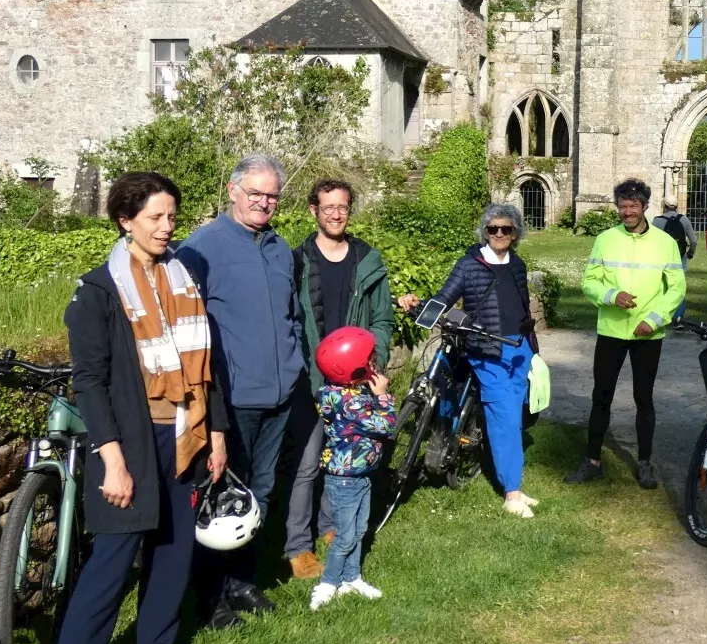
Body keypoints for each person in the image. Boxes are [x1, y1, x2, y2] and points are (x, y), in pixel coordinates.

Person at [38, 172, 227, 644]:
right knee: (111, 568)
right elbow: (90, 383)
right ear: (125, 219)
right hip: (130, 441)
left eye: (172, 216)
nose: (168, 227)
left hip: (185, 433)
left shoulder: (182, 278)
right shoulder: (97, 291)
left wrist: (215, 433)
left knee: (173, 552)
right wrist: (112, 460)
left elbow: (205, 366)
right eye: (155, 218)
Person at [177, 153, 305, 629]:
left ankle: (242, 581)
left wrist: (294, 366)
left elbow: (290, 315)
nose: (264, 202)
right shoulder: (200, 249)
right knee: (219, 498)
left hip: (278, 393)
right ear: (233, 191)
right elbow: (186, 329)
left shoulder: (278, 247)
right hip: (230, 397)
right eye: (255, 193)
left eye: (271, 195)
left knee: (262, 490)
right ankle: (211, 596)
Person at [397, 203, 541, 517]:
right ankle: (512, 494)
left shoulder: (517, 264)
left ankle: (509, 477)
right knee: (504, 418)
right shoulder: (469, 264)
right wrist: (413, 307)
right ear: (484, 232)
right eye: (493, 229)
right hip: (488, 352)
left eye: (507, 229)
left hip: (518, 349)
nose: (500, 234)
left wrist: (531, 346)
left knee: (513, 418)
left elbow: (522, 307)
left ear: (515, 233)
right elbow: (445, 296)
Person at [284, 179, 394, 580]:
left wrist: (372, 358)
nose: (335, 213)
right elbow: (287, 322)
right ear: (314, 210)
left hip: (355, 383)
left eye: (343, 207)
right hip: (312, 382)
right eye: (327, 206)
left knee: (343, 460)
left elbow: (382, 318)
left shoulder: (368, 260)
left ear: (350, 210)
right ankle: (298, 545)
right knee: (308, 464)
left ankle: (329, 527)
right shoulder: (297, 260)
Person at [566, 179, 685, 489]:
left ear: (645, 206)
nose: (627, 211)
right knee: (600, 396)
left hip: (648, 333)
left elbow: (676, 288)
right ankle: (592, 461)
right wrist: (611, 295)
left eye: (633, 206)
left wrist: (656, 319)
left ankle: (644, 464)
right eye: (622, 206)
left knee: (643, 399)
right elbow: (589, 282)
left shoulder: (665, 242)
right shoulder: (605, 239)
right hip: (611, 331)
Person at [309, 326, 396, 611]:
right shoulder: (352, 403)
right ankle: (327, 583)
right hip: (346, 479)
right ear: (352, 369)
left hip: (360, 474)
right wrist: (383, 397)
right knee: (346, 535)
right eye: (369, 360)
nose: (374, 364)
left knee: (359, 530)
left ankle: (351, 578)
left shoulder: (340, 393)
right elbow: (386, 426)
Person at [651, 194, 697, 319]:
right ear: (676, 206)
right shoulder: (684, 220)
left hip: (662, 257)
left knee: (662, 285)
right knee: (678, 286)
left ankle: (662, 314)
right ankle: (679, 317)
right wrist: (690, 253)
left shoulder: (657, 220)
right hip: (679, 256)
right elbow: (693, 240)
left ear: (664, 206)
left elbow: (651, 241)